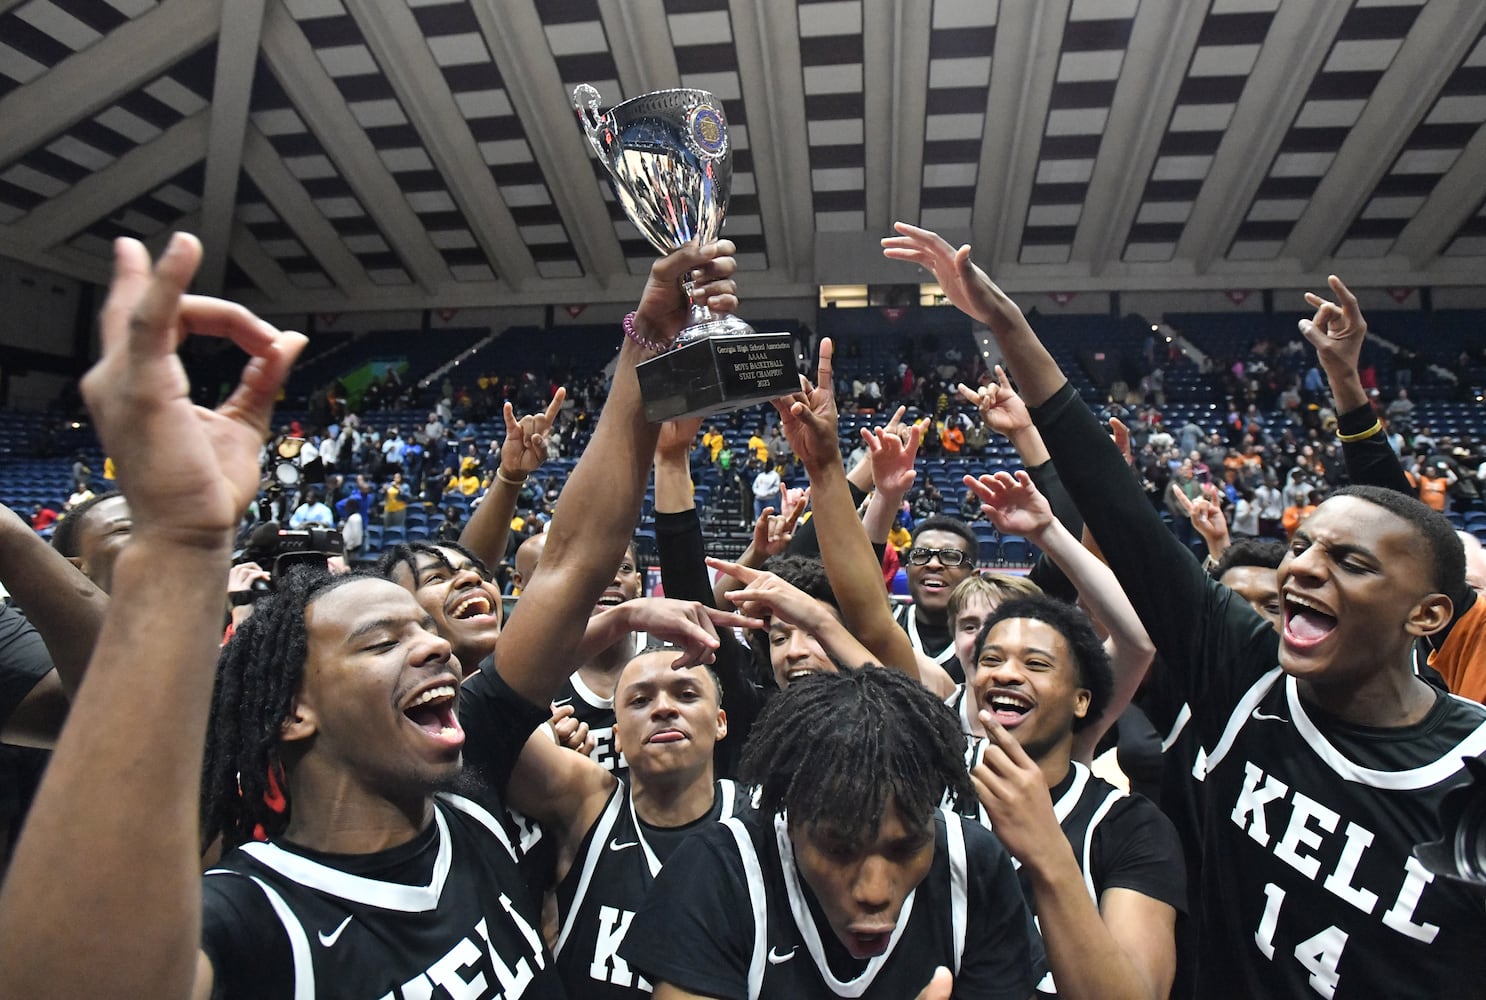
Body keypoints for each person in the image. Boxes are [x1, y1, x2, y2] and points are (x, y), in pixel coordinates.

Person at [0, 233, 742, 998]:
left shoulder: (473, 798)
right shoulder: (247, 917)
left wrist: (646, 347)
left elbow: (574, 558)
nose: (437, 652)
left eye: (425, 635)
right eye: (384, 639)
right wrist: (180, 551)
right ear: (293, 709)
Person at [884, 222, 1486, 998]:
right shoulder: (1245, 672)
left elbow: (1409, 532)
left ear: (1428, 617)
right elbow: (1121, 510)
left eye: (1349, 562)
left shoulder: (1468, 768)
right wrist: (1007, 325)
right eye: (1304, 546)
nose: (1305, 570)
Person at [620, 666, 1046, 999]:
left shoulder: (972, 863)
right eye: (840, 850)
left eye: (906, 847)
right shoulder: (718, 869)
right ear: (790, 815)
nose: (874, 891)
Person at [960, 595, 1185, 999]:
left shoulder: (1133, 827)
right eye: (991, 660)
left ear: (1081, 701)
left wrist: (1047, 852)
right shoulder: (933, 780)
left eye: (1036, 664)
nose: (1006, 674)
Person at [894, 515, 979, 681]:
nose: (933, 564)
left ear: (973, 577)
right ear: (907, 570)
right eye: (921, 554)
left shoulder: (991, 639)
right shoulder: (884, 620)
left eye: (951, 556)